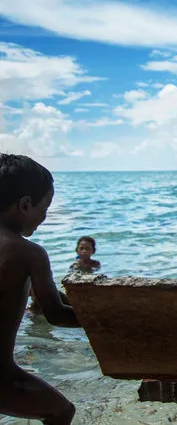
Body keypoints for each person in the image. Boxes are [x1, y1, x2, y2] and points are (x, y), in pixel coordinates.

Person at [0, 153, 81, 424]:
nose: (44, 218)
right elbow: (56, 314)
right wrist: (106, 319)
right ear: (25, 204)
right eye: (44, 209)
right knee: (60, 412)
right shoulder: (28, 253)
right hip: (1, 378)